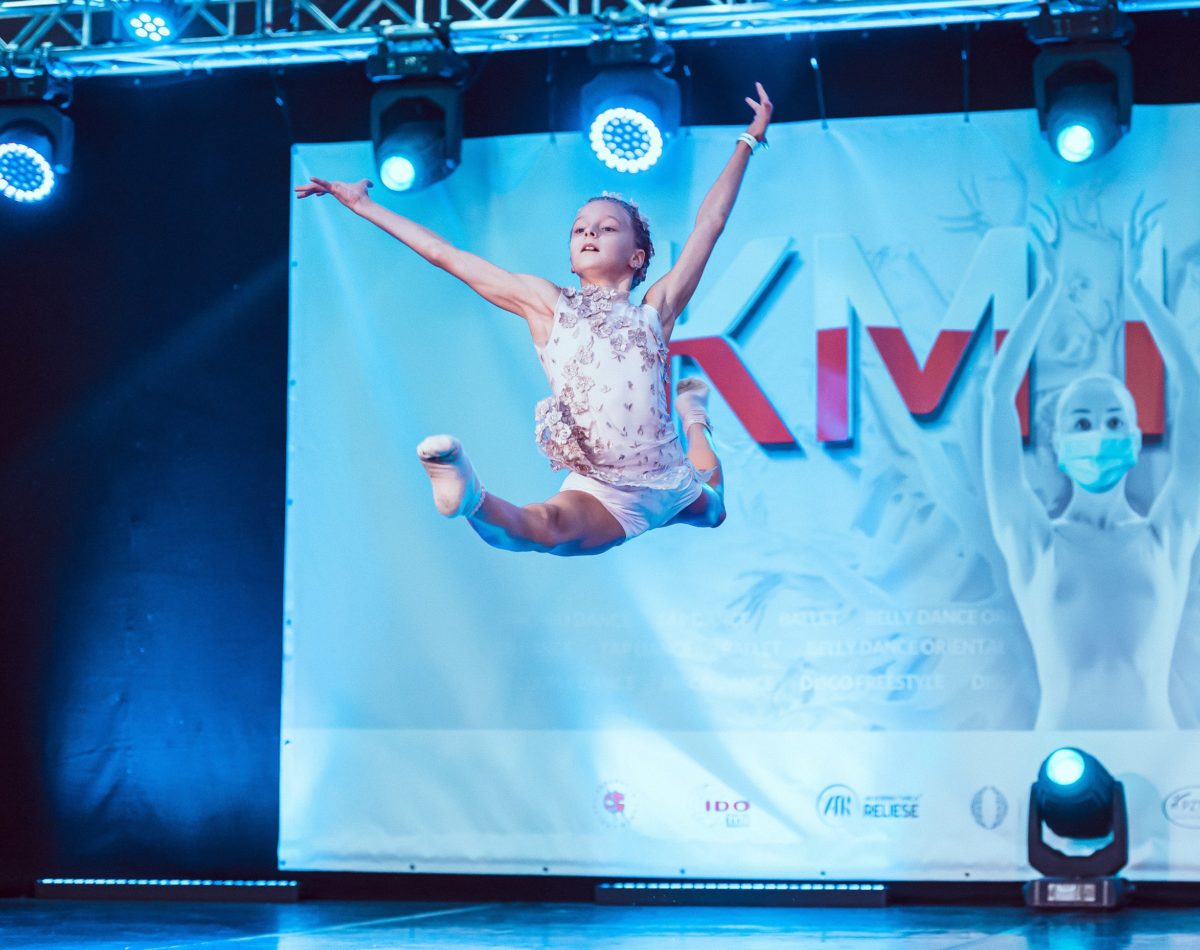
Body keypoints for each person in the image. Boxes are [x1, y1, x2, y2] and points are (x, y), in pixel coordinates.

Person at [295, 83, 773, 556]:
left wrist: (748, 141)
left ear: (637, 257)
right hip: (604, 489)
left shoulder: (656, 309)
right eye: (580, 229)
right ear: (571, 255)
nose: (590, 233)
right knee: (546, 528)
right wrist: (363, 205)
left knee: (715, 507)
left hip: (669, 479)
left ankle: (694, 417)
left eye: (607, 228)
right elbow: (447, 255)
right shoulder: (547, 305)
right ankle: (467, 494)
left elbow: (710, 224)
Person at [982, 215, 1200, 729]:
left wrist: (1139, 293)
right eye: (1081, 422)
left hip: (1159, 761)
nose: (1098, 431)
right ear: (1058, 445)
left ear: (1134, 439)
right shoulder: (1033, 541)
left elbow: (1192, 384)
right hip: (1057, 756)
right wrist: (1049, 289)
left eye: (1113, 420)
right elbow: (997, 395)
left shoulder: (1168, 535)